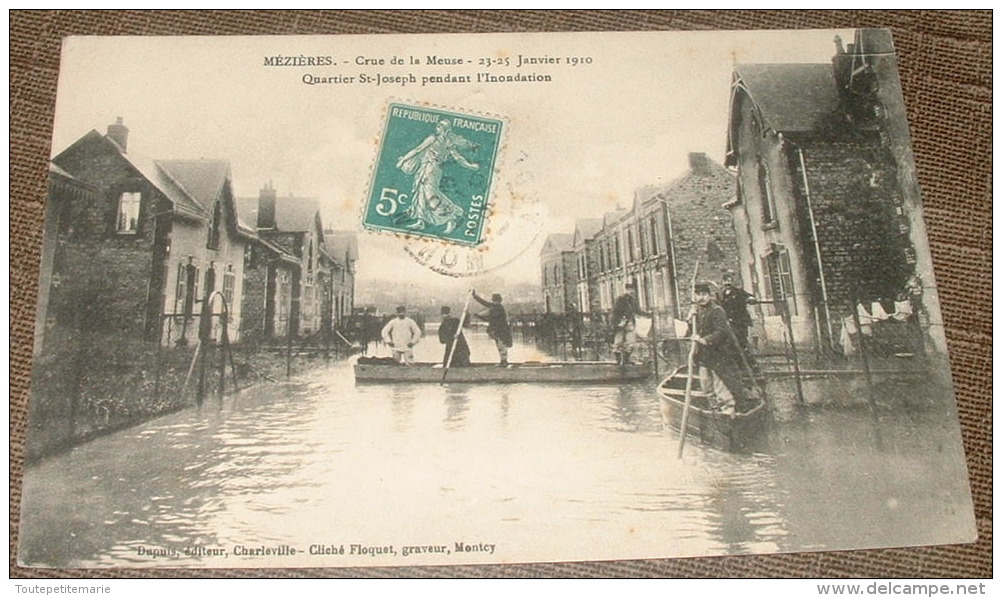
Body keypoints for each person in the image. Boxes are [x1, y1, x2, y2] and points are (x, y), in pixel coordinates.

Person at [395, 119, 479, 234]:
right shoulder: (449, 143)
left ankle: (450, 217)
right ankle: (421, 221)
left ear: (443, 129)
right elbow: (458, 158)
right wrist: (470, 166)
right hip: (432, 169)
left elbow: (417, 150)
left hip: (429, 169)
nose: (437, 129)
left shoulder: (433, 139)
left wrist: (403, 160)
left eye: (439, 127)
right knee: (421, 193)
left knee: (430, 194)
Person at [686, 283, 753, 415]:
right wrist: (689, 320)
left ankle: (728, 408)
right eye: (698, 295)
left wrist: (704, 340)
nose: (701, 298)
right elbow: (690, 332)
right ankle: (714, 408)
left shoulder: (717, 311)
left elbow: (721, 332)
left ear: (709, 296)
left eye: (704, 294)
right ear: (695, 296)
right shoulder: (696, 311)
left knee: (720, 383)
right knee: (706, 384)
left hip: (718, 353)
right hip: (703, 355)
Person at [611, 281, 650, 365]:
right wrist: (618, 322)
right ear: (626, 290)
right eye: (629, 289)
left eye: (632, 289)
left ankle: (626, 359)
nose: (631, 291)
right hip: (620, 323)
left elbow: (637, 311)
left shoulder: (633, 300)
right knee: (618, 342)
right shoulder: (620, 299)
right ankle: (618, 361)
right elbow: (615, 312)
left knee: (631, 343)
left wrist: (647, 314)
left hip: (629, 323)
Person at [473, 290, 512, 366]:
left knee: (501, 345)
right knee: (501, 345)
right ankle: (503, 361)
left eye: (494, 301)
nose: (494, 302)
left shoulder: (497, 308)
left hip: (500, 330)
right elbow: (484, 303)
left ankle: (504, 361)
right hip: (500, 329)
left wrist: (479, 316)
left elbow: (490, 318)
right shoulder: (497, 307)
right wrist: (475, 296)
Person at [719, 272, 756, 353]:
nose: (727, 283)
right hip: (730, 321)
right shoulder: (722, 295)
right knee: (731, 341)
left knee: (742, 340)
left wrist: (750, 299)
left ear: (732, 282)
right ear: (722, 283)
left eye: (729, 281)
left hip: (740, 321)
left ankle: (748, 359)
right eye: (725, 281)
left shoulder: (738, 292)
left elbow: (749, 296)